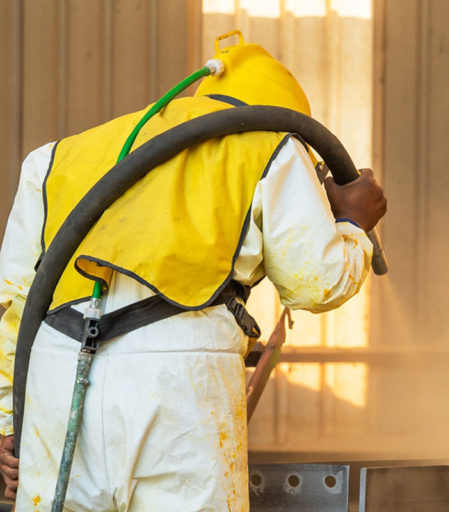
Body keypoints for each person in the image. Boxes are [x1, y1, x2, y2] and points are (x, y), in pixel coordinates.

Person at [0, 36, 385, 511]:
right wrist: (353, 223)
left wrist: (10, 424)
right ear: (288, 118)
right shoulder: (271, 146)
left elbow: (15, 303)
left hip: (54, 376)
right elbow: (316, 282)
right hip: (177, 384)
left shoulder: (57, 157)